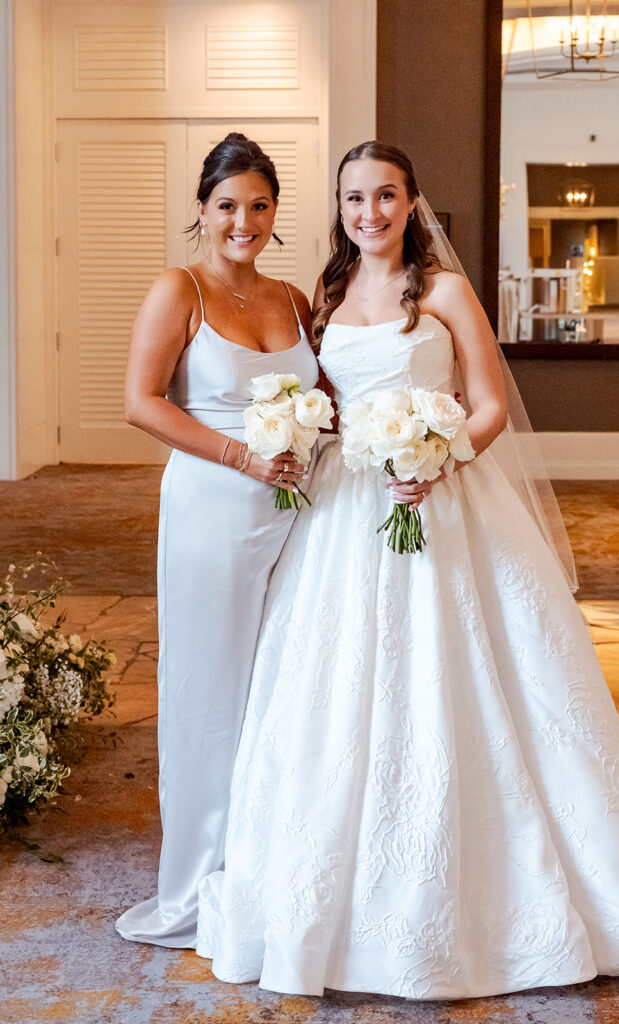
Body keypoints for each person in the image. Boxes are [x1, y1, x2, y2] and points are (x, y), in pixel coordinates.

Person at [195, 141, 619, 998]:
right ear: (338, 208)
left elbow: (488, 406)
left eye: (386, 196)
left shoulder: (441, 291)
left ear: (413, 203)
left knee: (472, 677)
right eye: (354, 198)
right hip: (346, 515)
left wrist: (439, 457)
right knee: (337, 690)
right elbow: (327, 401)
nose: (369, 213)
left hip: (438, 501)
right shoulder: (326, 297)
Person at [116, 133, 318, 948]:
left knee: (282, 689)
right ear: (202, 210)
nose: (244, 221)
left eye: (260, 205)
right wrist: (242, 455)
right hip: (213, 509)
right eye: (228, 205)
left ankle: (271, 869)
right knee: (210, 696)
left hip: (298, 514)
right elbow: (141, 402)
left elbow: (329, 393)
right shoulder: (181, 290)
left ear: (275, 212)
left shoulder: (295, 299)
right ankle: (199, 880)